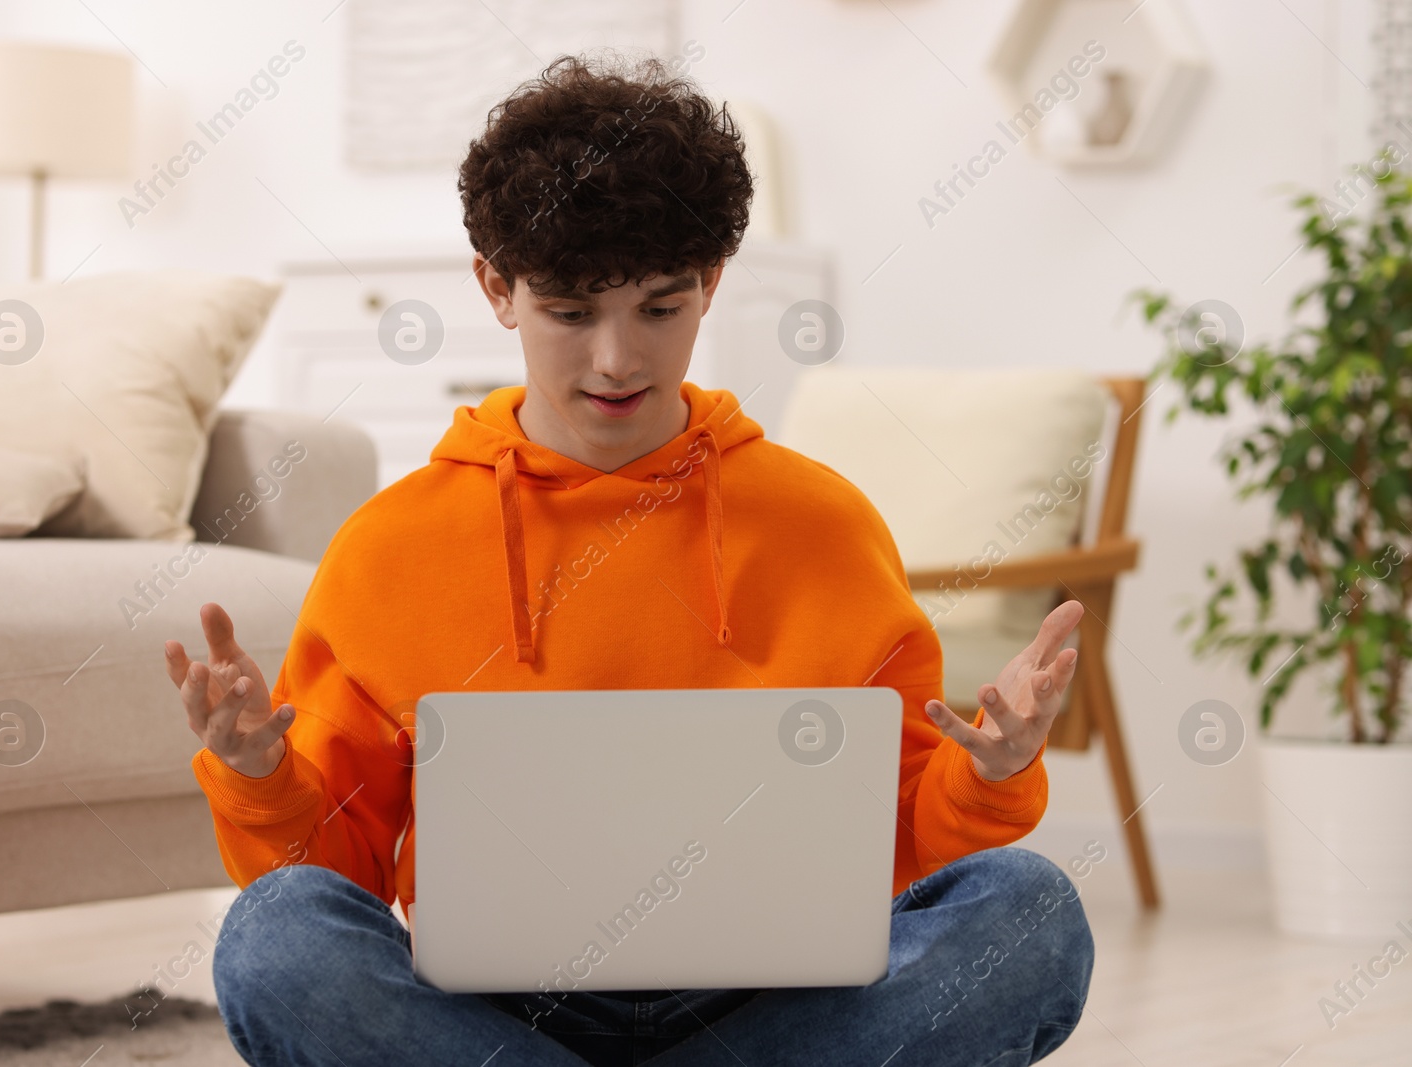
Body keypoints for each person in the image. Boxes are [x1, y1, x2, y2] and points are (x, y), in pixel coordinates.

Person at [165, 51, 1093, 1067]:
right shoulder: (390, 547)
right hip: (495, 1014)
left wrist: (991, 771)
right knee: (274, 937)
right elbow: (334, 875)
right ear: (496, 288)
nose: (617, 359)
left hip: (778, 1006)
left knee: (1028, 911)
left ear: (711, 285)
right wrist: (260, 776)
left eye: (661, 306)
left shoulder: (821, 523)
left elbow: (912, 851)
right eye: (569, 310)